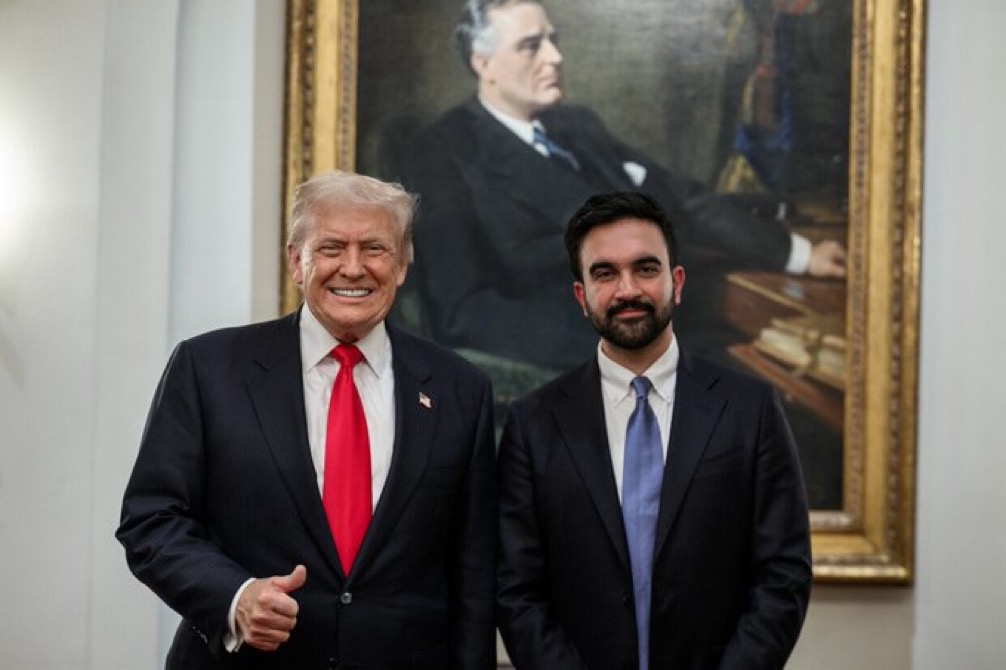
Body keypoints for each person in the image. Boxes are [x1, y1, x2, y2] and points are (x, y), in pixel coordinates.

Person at [116, 170, 497, 669]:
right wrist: (235, 597)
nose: (354, 268)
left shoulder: (459, 388)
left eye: (376, 249)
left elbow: (474, 572)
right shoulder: (208, 368)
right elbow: (151, 519)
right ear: (297, 261)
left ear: (402, 264)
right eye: (332, 247)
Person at [393, 0, 846, 379]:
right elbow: (463, 311)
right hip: (569, 367)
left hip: (662, 335)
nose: (554, 57)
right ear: (483, 62)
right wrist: (618, 347)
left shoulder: (577, 125)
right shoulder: (443, 152)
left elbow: (682, 197)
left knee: (782, 379)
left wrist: (798, 253)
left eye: (554, 40)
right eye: (531, 46)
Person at [496, 191, 812, 669]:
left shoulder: (751, 409)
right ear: (581, 296)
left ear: (677, 282)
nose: (628, 290)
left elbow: (783, 575)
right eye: (605, 273)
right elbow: (516, 590)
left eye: (646, 269)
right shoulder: (533, 423)